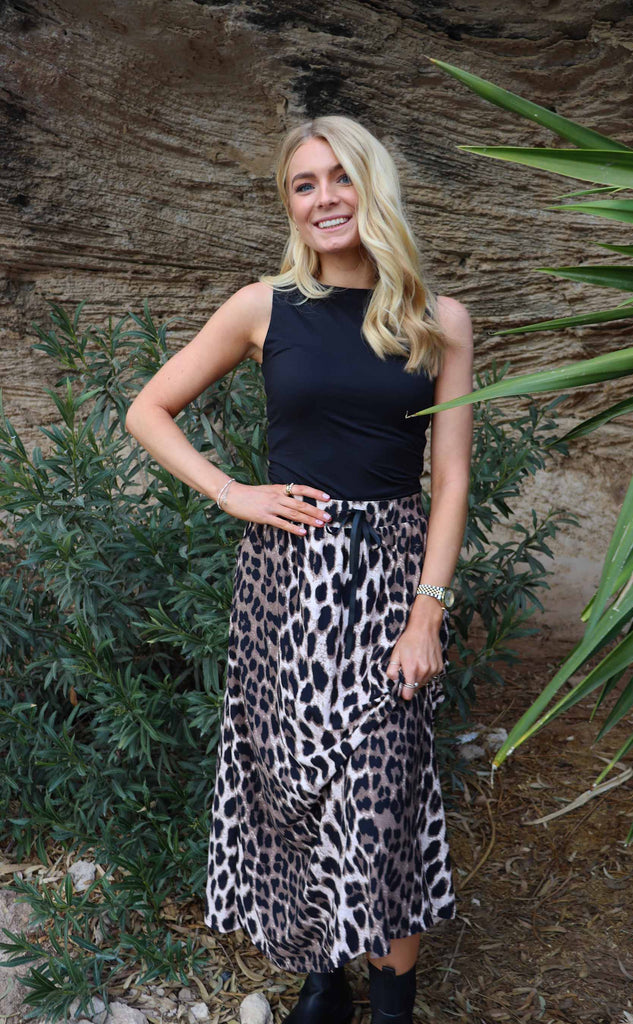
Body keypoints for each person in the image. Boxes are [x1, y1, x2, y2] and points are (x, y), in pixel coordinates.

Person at [125, 114, 473, 1024]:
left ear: (372, 186)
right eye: (304, 184)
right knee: (287, 787)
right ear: (289, 204)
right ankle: (323, 977)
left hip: (391, 582)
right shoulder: (262, 307)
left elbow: (450, 478)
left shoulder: (438, 320)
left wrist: (427, 613)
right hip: (284, 585)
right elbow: (148, 409)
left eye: (340, 177)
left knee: (384, 792)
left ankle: (391, 1000)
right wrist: (231, 492)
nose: (324, 198)